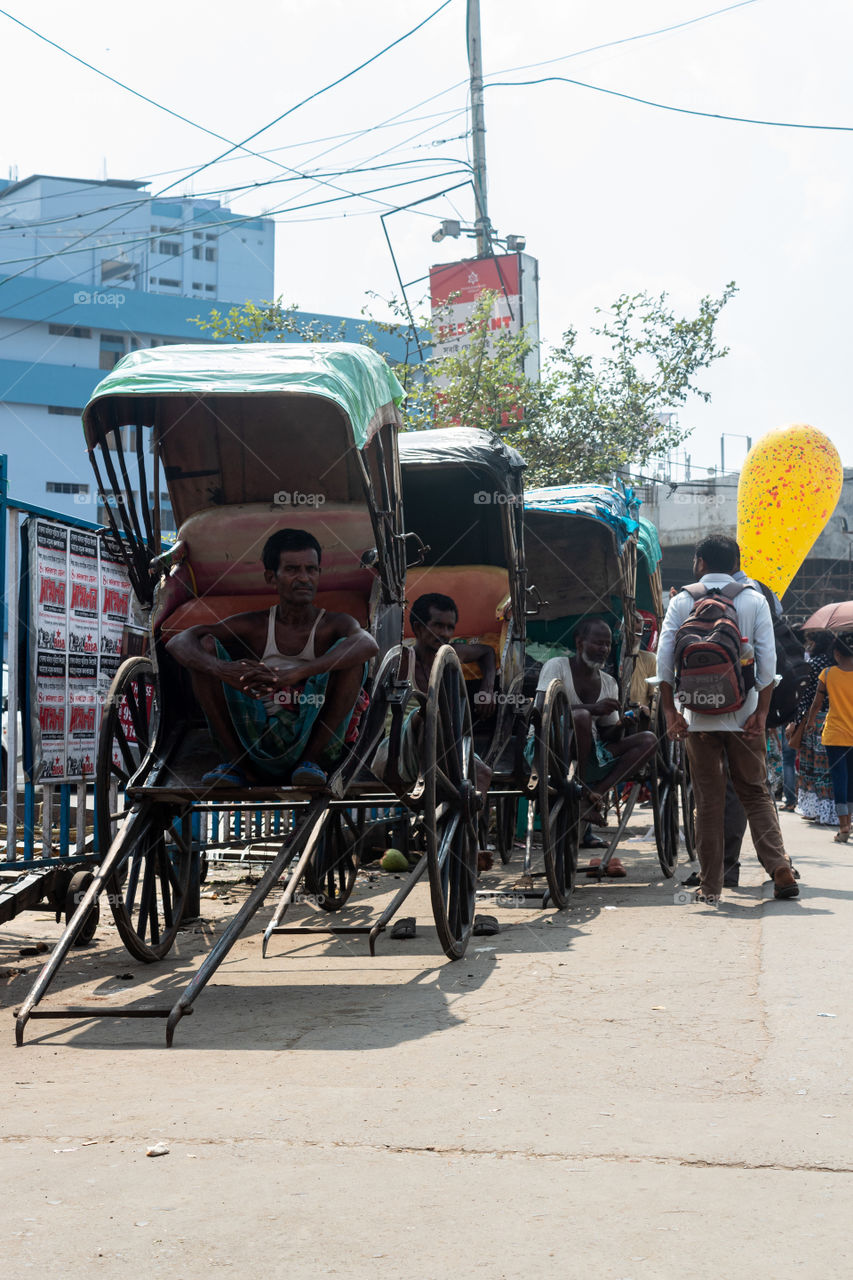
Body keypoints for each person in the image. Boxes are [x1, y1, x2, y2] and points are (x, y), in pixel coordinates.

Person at [166, 528, 378, 788]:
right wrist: (223, 670)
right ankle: (236, 765)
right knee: (205, 647)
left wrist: (298, 673)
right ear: (271, 577)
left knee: (354, 654)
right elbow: (179, 641)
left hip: (316, 740)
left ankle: (309, 762)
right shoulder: (255, 625)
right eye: (292, 570)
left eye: (311, 570)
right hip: (255, 735)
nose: (304, 578)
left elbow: (368, 644)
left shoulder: (334, 624)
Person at [657, 534, 798, 903]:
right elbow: (768, 664)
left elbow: (664, 660)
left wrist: (672, 713)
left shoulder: (683, 599)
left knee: (708, 799)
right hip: (745, 714)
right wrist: (762, 712)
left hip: (698, 718)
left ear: (700, 563)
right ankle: (779, 866)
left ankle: (711, 885)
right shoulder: (753, 598)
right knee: (755, 792)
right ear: (736, 562)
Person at [535, 617, 657, 875]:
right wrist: (592, 709)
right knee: (580, 717)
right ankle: (581, 790)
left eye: (607, 644)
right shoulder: (556, 666)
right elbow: (539, 710)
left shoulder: (609, 682)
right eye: (597, 643)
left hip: (592, 752)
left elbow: (608, 736)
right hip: (553, 751)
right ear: (579, 642)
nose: (603, 649)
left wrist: (622, 725)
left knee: (648, 739)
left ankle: (594, 795)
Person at [805, 633, 853, 842]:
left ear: (836, 653)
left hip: (834, 735)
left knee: (840, 780)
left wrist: (809, 723)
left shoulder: (827, 674)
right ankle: (850, 822)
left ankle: (844, 827)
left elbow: (816, 703)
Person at [790, 630, 837, 826]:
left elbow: (807, 697)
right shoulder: (841, 665)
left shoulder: (815, 665)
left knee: (812, 766)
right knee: (832, 768)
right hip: (838, 718)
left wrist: (798, 720)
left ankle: (815, 810)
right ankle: (834, 811)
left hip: (815, 721)